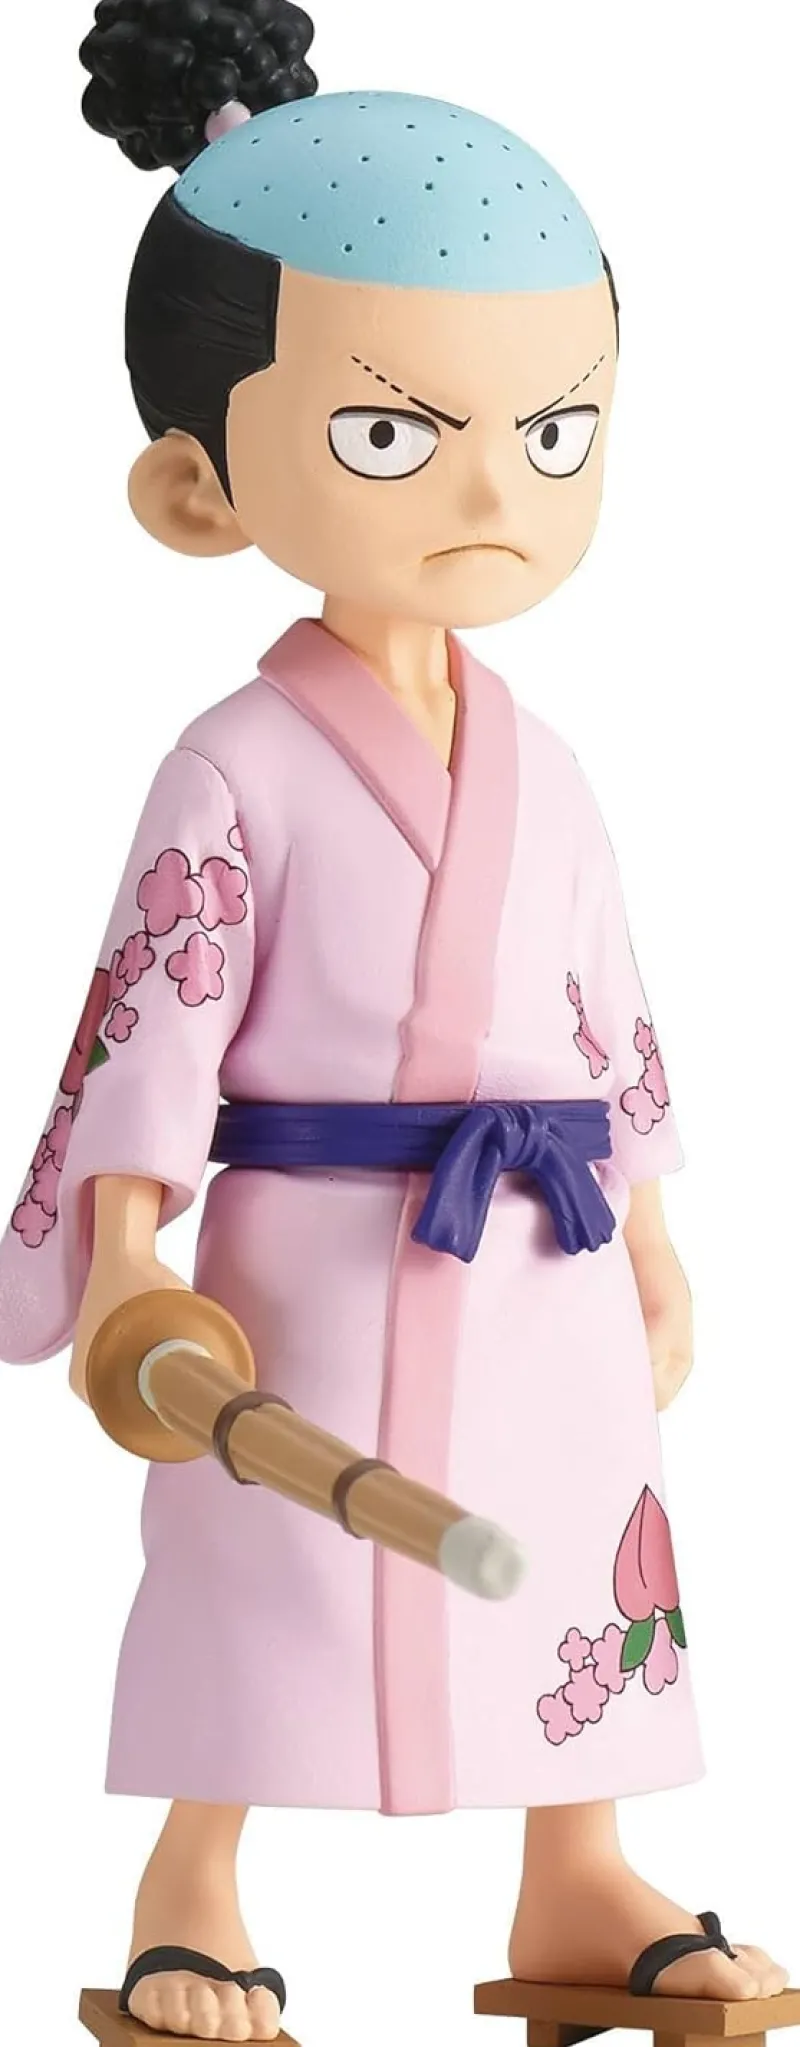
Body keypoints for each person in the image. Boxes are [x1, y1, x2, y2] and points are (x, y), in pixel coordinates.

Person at [0, 3, 787, 2039]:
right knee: (266, 1554)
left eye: (555, 434)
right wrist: (124, 1256)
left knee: (575, 1545)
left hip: (548, 1248)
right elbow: (154, 1017)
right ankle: (193, 1878)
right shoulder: (236, 762)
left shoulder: (554, 764)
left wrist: (656, 1231)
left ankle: (578, 1865)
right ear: (197, 486)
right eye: (390, 435)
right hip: (321, 1249)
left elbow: (606, 1016)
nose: (492, 490)